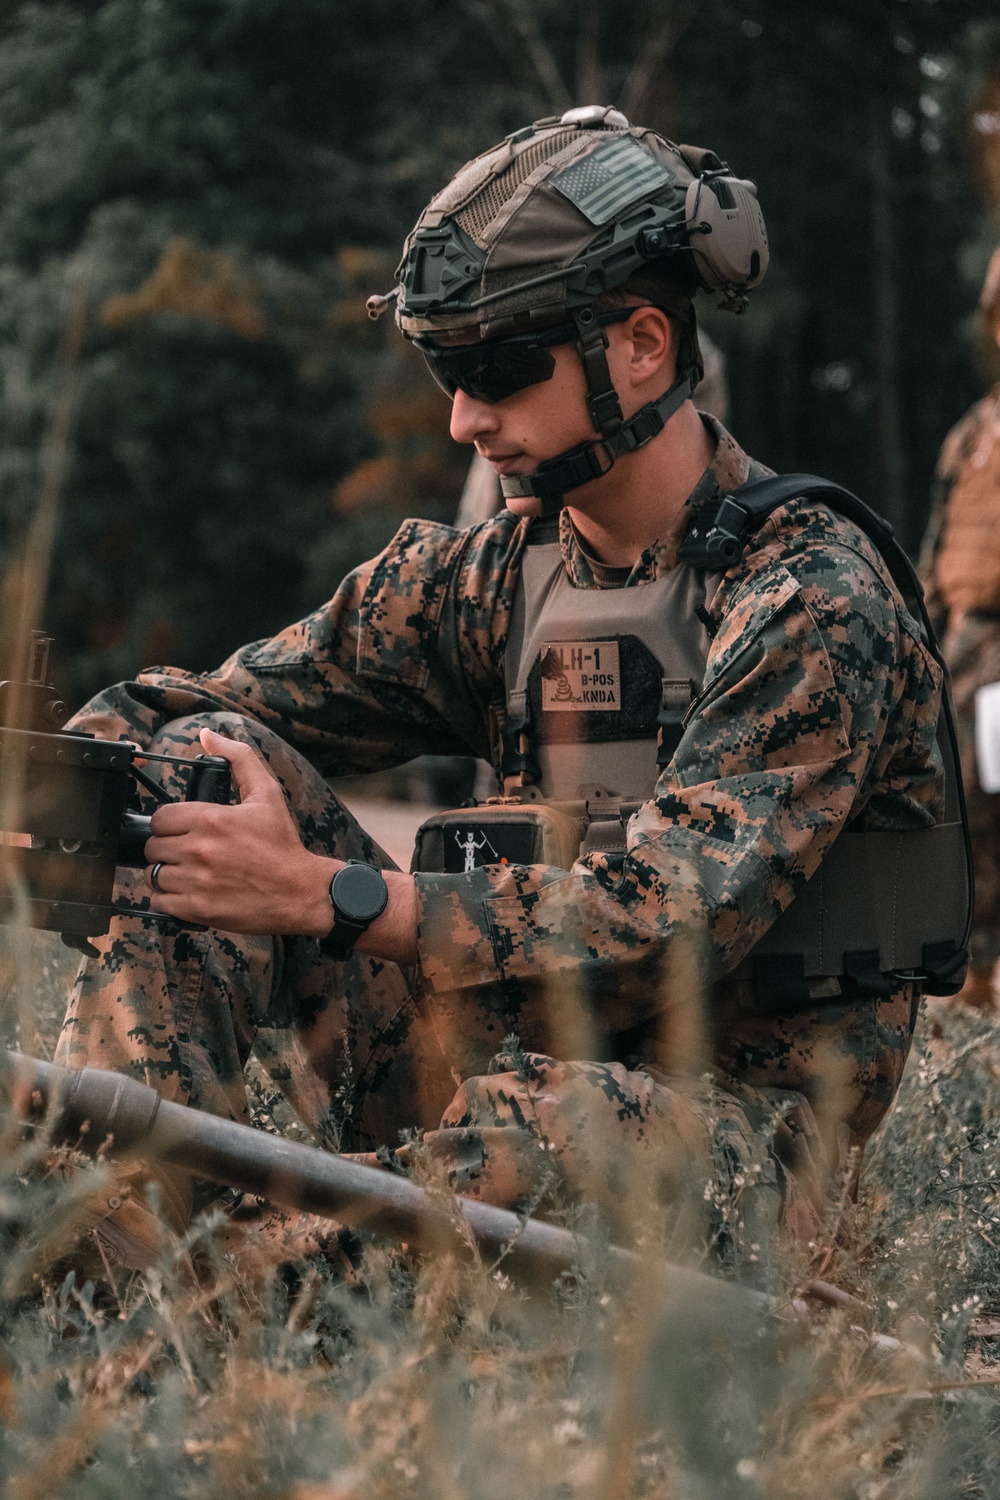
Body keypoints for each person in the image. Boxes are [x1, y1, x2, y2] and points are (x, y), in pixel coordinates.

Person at [55, 105, 957, 1281]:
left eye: (495, 370)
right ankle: (101, 1257)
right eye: (444, 369)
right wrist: (76, 770)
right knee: (198, 769)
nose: (462, 419)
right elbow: (199, 708)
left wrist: (326, 893)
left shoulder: (810, 601)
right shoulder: (481, 579)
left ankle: (245, 1298)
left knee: (547, 1139)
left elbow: (667, 928)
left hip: (726, 1148)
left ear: (641, 345)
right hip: (486, 1091)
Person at [920, 248, 1000, 1011]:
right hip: (966, 655)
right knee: (961, 807)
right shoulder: (973, 432)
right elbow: (940, 542)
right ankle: (972, 977)